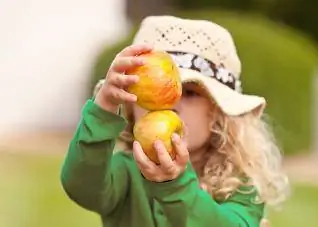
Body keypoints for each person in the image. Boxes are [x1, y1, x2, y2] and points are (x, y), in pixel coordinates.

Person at [60, 15, 289, 227]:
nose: (170, 104)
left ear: (219, 112)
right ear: (131, 105)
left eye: (189, 93)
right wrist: (104, 108)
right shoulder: (126, 173)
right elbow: (82, 186)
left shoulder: (240, 187)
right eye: (152, 93)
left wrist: (175, 186)